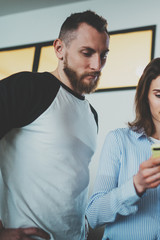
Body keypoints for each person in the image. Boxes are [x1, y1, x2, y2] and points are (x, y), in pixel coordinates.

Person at [0, 10, 109, 240]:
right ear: (60, 49)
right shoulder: (29, 88)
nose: (97, 65)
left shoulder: (92, 115)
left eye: (103, 55)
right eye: (87, 53)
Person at [85, 57, 160, 239]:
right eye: (159, 95)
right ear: (146, 97)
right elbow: (94, 215)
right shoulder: (118, 141)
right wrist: (136, 186)